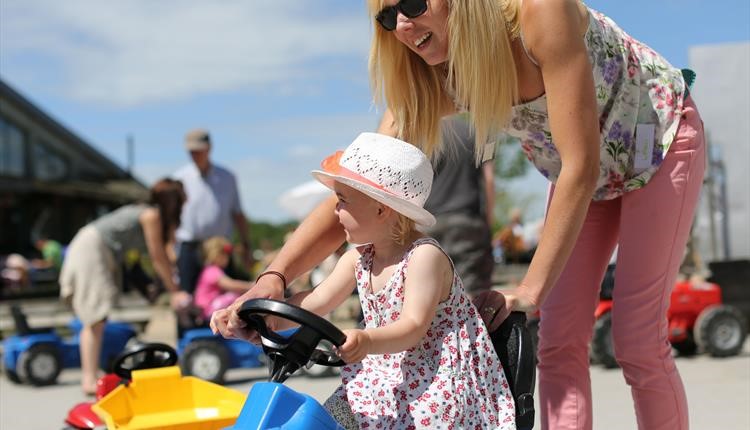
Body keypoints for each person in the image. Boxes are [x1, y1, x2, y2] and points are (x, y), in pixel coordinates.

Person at [214, 2, 705, 429]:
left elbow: (582, 163)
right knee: (557, 343)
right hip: (584, 176)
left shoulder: (537, 12)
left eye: (412, 2)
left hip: (659, 144)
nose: (403, 23)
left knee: (636, 340)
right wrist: (275, 277)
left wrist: (530, 289)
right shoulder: (433, 78)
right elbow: (359, 189)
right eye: (388, 16)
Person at [265, 133, 516, 429]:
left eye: (343, 201)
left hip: (437, 384)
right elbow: (315, 302)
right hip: (381, 378)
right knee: (319, 420)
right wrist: (264, 317)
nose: (335, 211)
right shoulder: (358, 258)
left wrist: (367, 339)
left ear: (381, 209)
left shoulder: (424, 258)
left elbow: (412, 327)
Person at [59, 178, 190, 394]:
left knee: (96, 318)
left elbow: (166, 253)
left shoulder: (148, 213)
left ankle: (91, 375)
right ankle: (89, 379)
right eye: (181, 203)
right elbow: (157, 257)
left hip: (96, 248)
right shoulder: (151, 215)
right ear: (172, 202)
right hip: (93, 249)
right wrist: (175, 292)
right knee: (94, 318)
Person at [422, 115, 496, 297]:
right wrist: (488, 221)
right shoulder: (480, 133)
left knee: (428, 295)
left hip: (426, 223)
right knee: (474, 296)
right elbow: (489, 179)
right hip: (467, 221)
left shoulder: (421, 134)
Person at [172, 128, 252, 296]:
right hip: (190, 246)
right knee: (188, 295)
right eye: (191, 151)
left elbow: (237, 213)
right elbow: (171, 217)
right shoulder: (179, 178)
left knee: (226, 296)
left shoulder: (227, 177)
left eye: (198, 150)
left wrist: (246, 245)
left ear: (209, 148)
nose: (195, 155)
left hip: (220, 247)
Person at [194, 236, 254, 321]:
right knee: (233, 297)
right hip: (208, 309)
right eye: (225, 254)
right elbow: (232, 285)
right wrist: (252, 285)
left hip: (207, 309)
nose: (228, 258)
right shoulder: (212, 270)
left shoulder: (210, 269)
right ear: (216, 254)